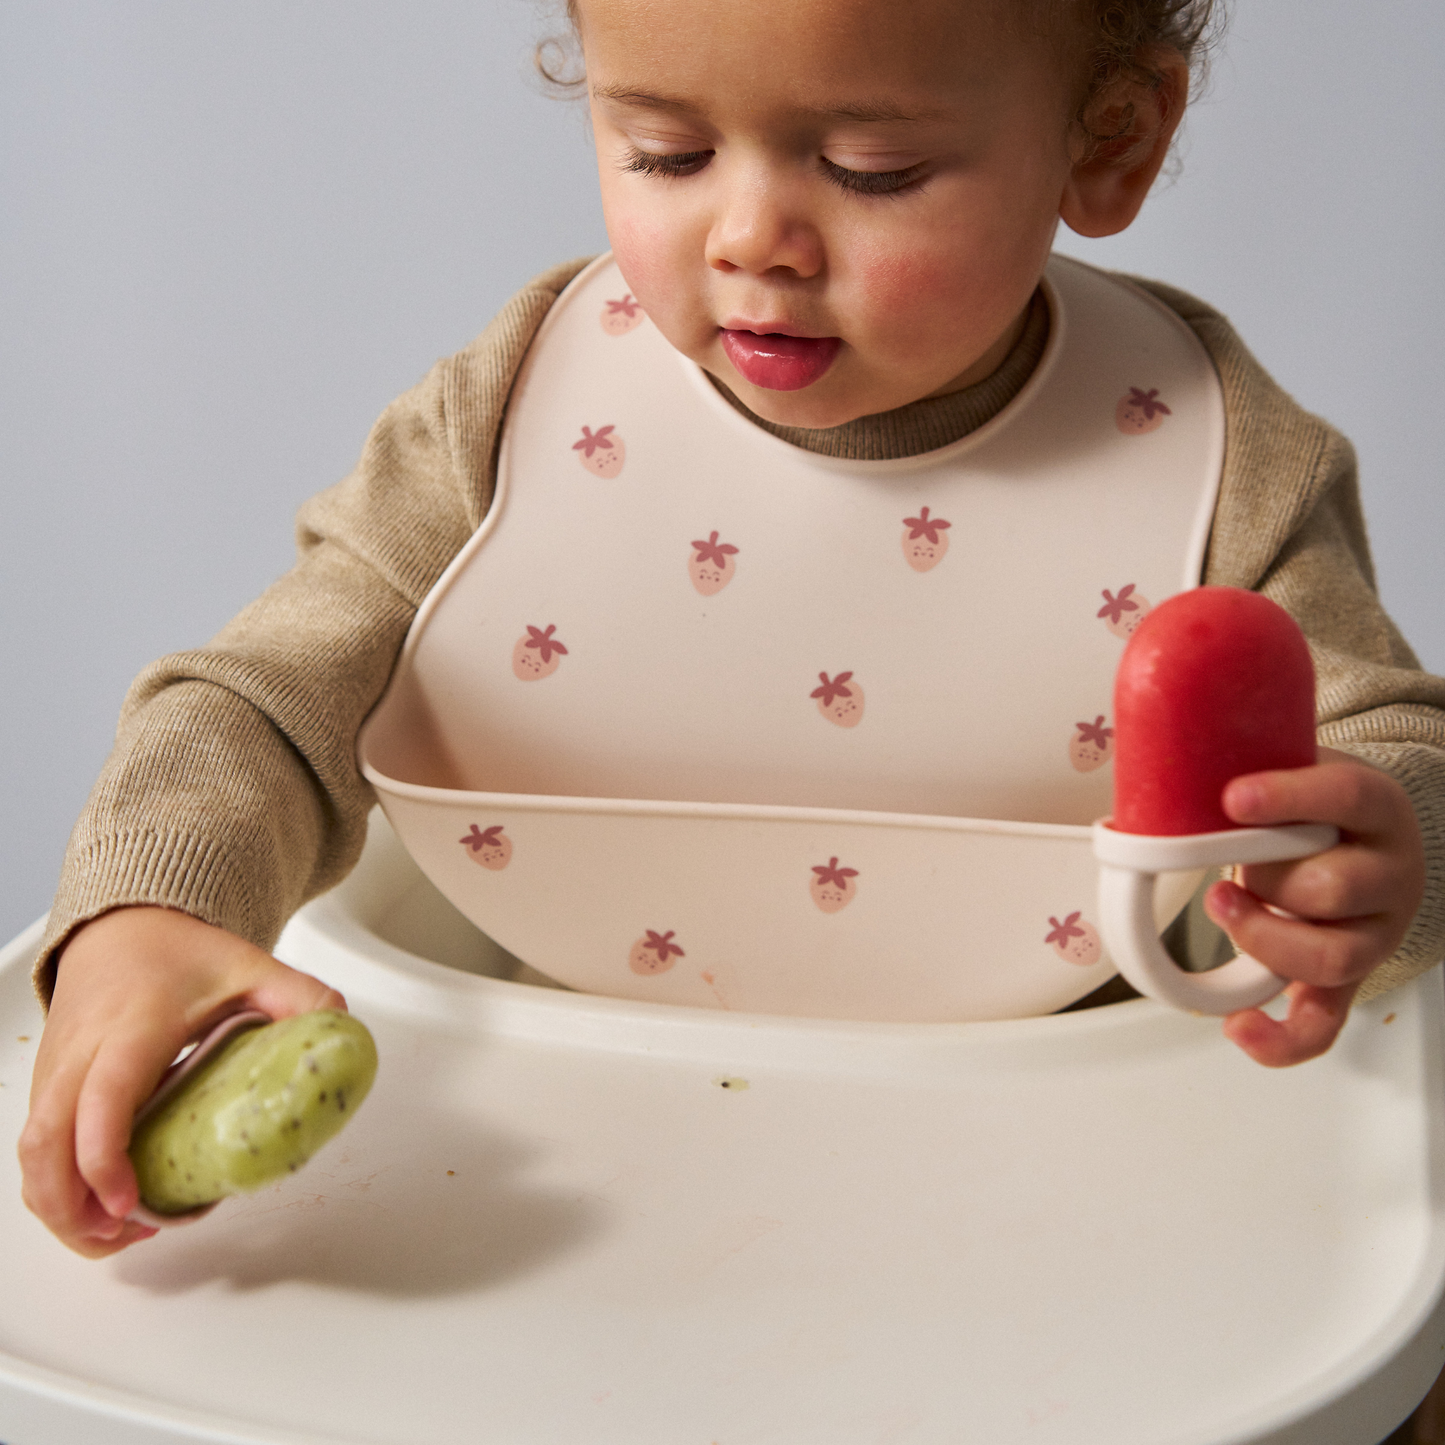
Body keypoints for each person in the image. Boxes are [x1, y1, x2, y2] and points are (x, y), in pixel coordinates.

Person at [19, 0, 1444, 1268]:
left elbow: (1387, 749)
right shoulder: (517, 409)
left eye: (868, 170)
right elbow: (266, 701)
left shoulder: (1214, 458)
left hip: (1035, 1200)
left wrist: (1382, 865)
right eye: (667, 154)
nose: (750, 236)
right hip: (581, 1176)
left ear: (1111, 139)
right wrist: (153, 909)